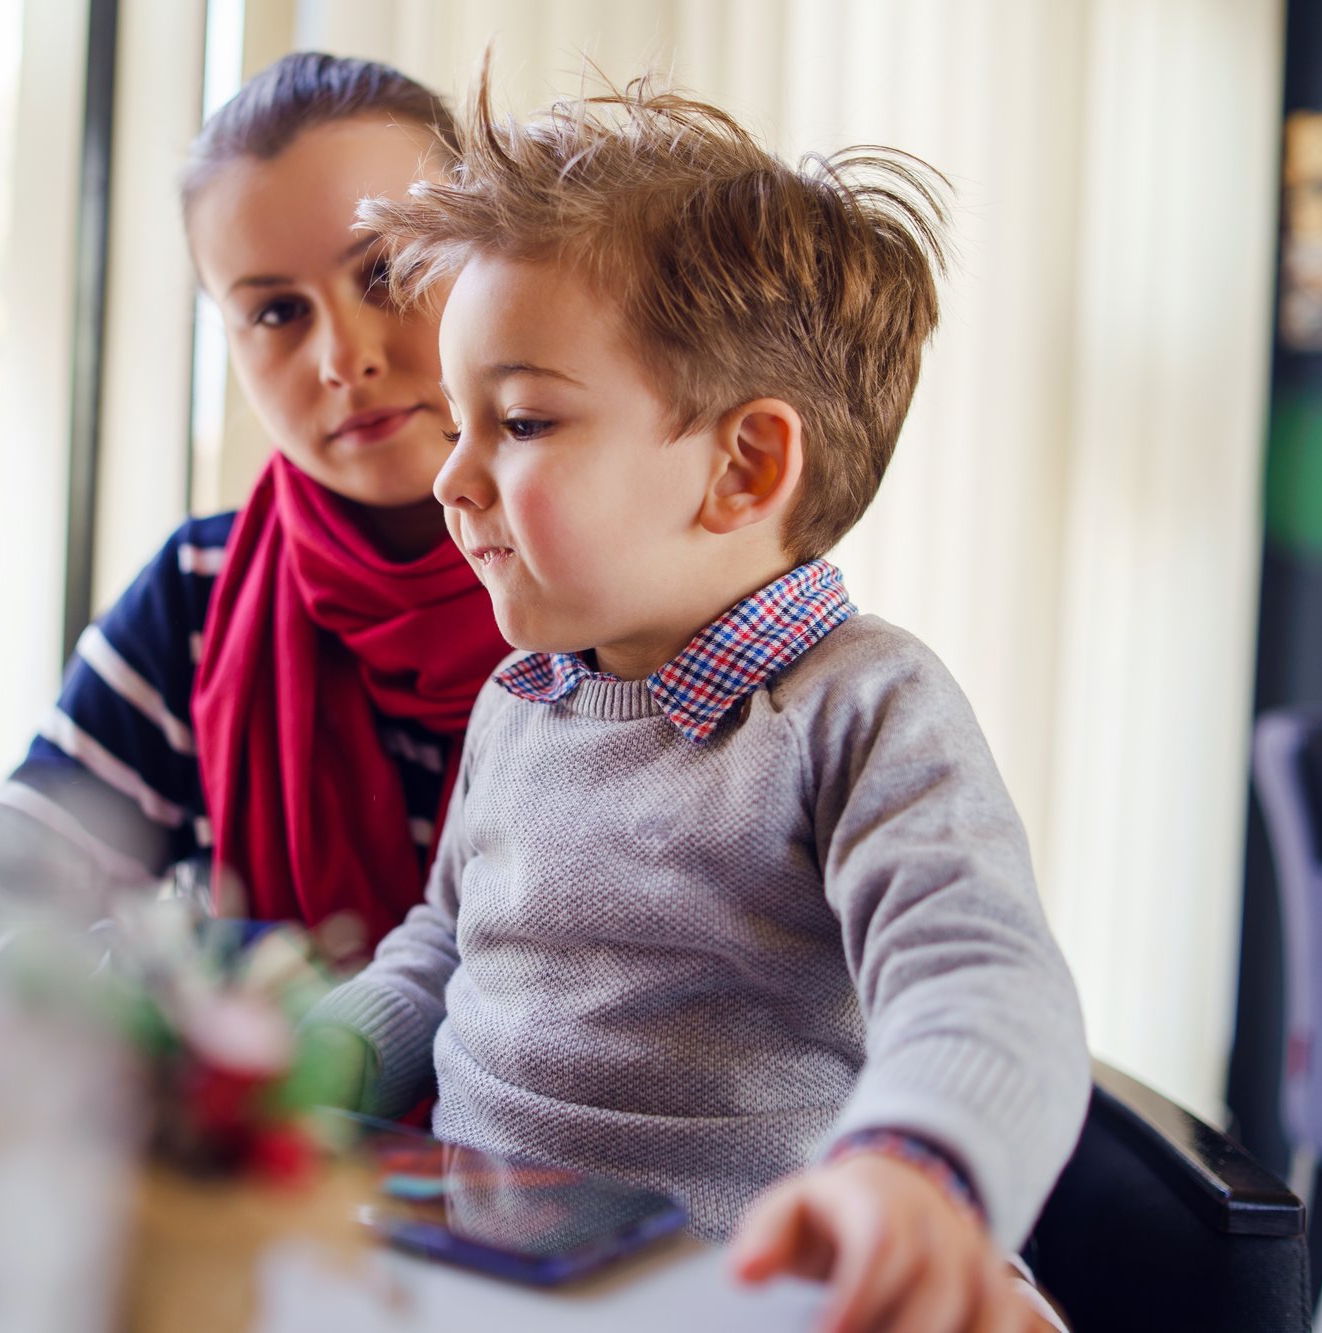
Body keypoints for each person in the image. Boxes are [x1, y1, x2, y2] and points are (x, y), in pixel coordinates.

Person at [304, 73, 1088, 1332]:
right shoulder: (522, 701)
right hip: (490, 1286)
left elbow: (983, 982)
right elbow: (445, 950)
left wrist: (917, 1171)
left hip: (753, 1297)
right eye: (460, 422)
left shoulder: (858, 711)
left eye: (518, 419)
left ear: (743, 465)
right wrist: (320, 1056)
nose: (451, 476)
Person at [0, 54, 509, 1050]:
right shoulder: (197, 600)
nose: (343, 358)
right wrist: (194, 987)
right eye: (273, 311)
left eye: (387, 270)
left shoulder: (639, 594)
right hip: (269, 1191)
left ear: (495, 259)